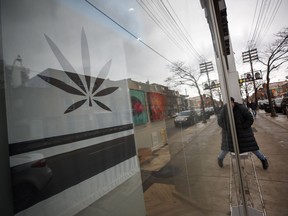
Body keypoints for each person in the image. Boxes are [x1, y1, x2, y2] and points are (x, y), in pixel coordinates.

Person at [217, 97, 269, 169]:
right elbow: (219, 121)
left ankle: (263, 159)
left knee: (253, 148)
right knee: (226, 148)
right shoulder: (223, 110)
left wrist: (243, 127)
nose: (230, 106)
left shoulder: (241, 108)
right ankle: (220, 159)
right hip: (229, 134)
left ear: (233, 102)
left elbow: (250, 118)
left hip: (244, 133)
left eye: (231, 103)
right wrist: (227, 128)